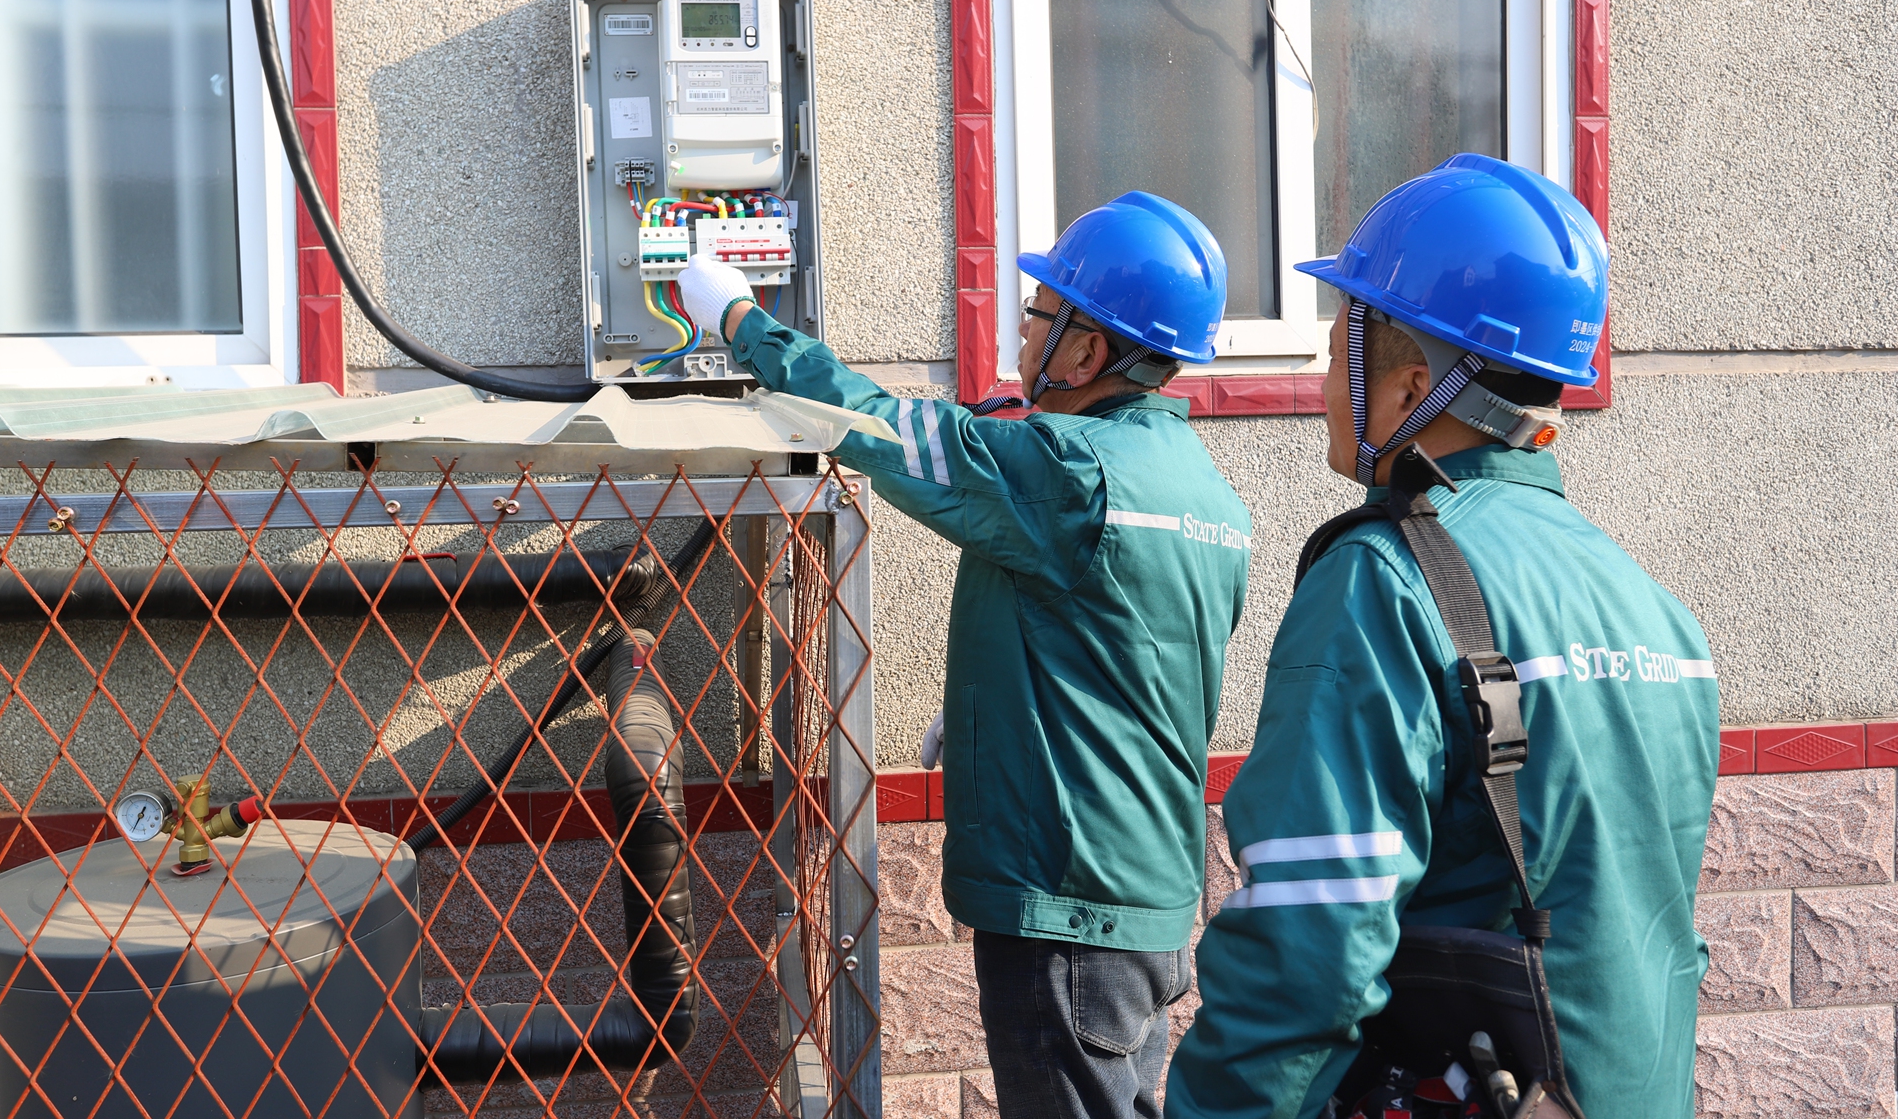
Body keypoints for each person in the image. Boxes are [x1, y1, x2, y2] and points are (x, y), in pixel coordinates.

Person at [1164, 154, 1719, 1119]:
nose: (1323, 376)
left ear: (1415, 383)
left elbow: (1308, 945)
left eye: (1343, 338)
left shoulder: (1383, 582)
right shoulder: (1655, 610)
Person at [678, 192, 1251, 1119]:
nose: (1023, 334)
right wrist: (993, 701)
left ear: (1085, 349)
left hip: (1066, 909)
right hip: (1152, 903)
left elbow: (871, 424)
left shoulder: (1062, 470)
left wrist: (737, 317)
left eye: (1040, 314)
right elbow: (1123, 661)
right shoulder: (1206, 491)